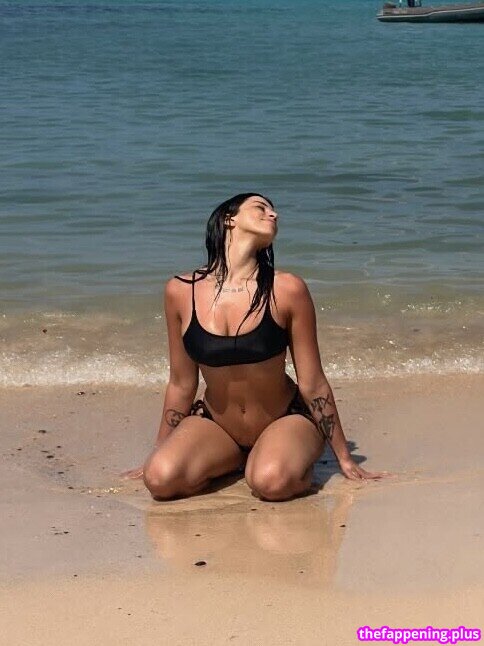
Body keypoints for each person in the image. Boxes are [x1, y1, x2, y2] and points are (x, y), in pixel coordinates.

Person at [120, 193, 390, 501]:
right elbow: (182, 383)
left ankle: (278, 459)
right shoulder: (181, 292)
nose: (273, 215)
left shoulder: (287, 289)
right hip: (218, 426)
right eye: (260, 208)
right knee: (160, 478)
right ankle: (235, 460)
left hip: (284, 418)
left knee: (270, 482)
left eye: (274, 211)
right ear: (228, 220)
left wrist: (344, 457)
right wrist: (161, 448)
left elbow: (313, 382)